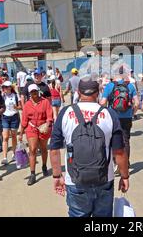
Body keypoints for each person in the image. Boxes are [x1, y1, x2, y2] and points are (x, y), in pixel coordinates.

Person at [49, 76, 129, 217]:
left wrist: (57, 175)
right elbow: (119, 151)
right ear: (98, 92)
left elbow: (54, 148)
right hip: (104, 180)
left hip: (75, 181)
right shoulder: (109, 114)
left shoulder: (65, 113)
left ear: (78, 92)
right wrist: (125, 176)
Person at [100, 68, 139, 172]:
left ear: (114, 75)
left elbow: (103, 102)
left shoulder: (110, 86)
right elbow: (137, 103)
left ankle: (116, 162)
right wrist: (133, 113)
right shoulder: (130, 86)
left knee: (113, 140)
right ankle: (126, 163)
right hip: (127, 117)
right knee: (126, 140)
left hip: (112, 117)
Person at [19, 84, 54, 186]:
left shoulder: (45, 102)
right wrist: (20, 133)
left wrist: (48, 124)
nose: (33, 93)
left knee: (43, 148)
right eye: (31, 92)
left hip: (43, 128)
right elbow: (24, 120)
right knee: (33, 149)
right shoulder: (27, 104)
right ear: (29, 93)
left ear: (38, 91)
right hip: (31, 128)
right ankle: (33, 174)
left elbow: (49, 116)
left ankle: (44, 166)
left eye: (35, 91)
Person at [1, 81, 21, 166]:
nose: (5, 88)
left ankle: (14, 154)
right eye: (4, 87)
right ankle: (5, 157)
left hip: (14, 117)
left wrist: (16, 107)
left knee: (13, 136)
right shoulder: (2, 96)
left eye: (6, 87)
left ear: (10, 87)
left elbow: (20, 107)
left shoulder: (16, 95)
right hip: (5, 117)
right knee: (5, 137)